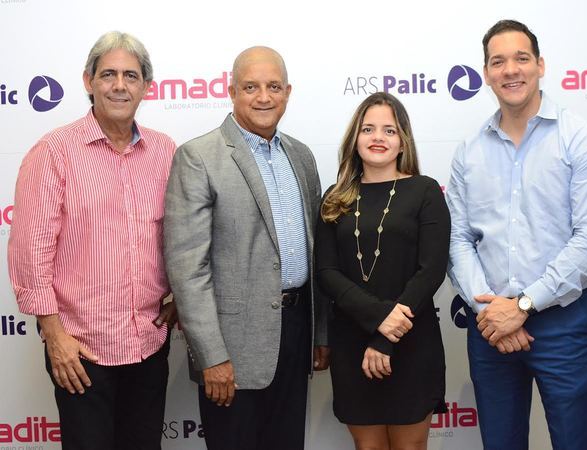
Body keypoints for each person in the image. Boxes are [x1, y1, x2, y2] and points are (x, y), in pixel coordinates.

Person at [446, 19, 587, 450]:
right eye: (498, 61)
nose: (511, 70)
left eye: (521, 58)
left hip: (563, 325)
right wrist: (494, 313)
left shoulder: (582, 140)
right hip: (490, 329)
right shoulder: (469, 151)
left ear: (540, 65)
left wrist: (523, 305)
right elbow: (458, 240)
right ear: (485, 73)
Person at [8, 31, 177, 449]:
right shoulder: (54, 152)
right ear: (88, 81)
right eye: (109, 75)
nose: (120, 85)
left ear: (146, 87)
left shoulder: (166, 151)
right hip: (82, 350)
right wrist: (54, 336)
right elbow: (31, 253)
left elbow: (179, 236)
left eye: (131, 76)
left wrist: (179, 297)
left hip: (148, 345)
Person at [164, 46, 329, 450]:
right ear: (231, 90)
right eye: (251, 86)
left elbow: (318, 252)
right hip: (231, 351)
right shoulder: (199, 157)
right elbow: (188, 270)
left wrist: (320, 333)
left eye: (274, 86)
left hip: (295, 335)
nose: (263, 97)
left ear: (288, 92)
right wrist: (212, 357)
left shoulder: (302, 156)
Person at [315, 92, 450, 450]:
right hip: (352, 344)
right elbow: (326, 272)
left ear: (403, 140)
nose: (378, 137)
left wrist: (385, 336)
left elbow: (431, 271)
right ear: (354, 138)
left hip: (411, 342)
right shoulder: (335, 197)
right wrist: (378, 319)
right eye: (368, 129)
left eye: (389, 130)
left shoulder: (425, 191)